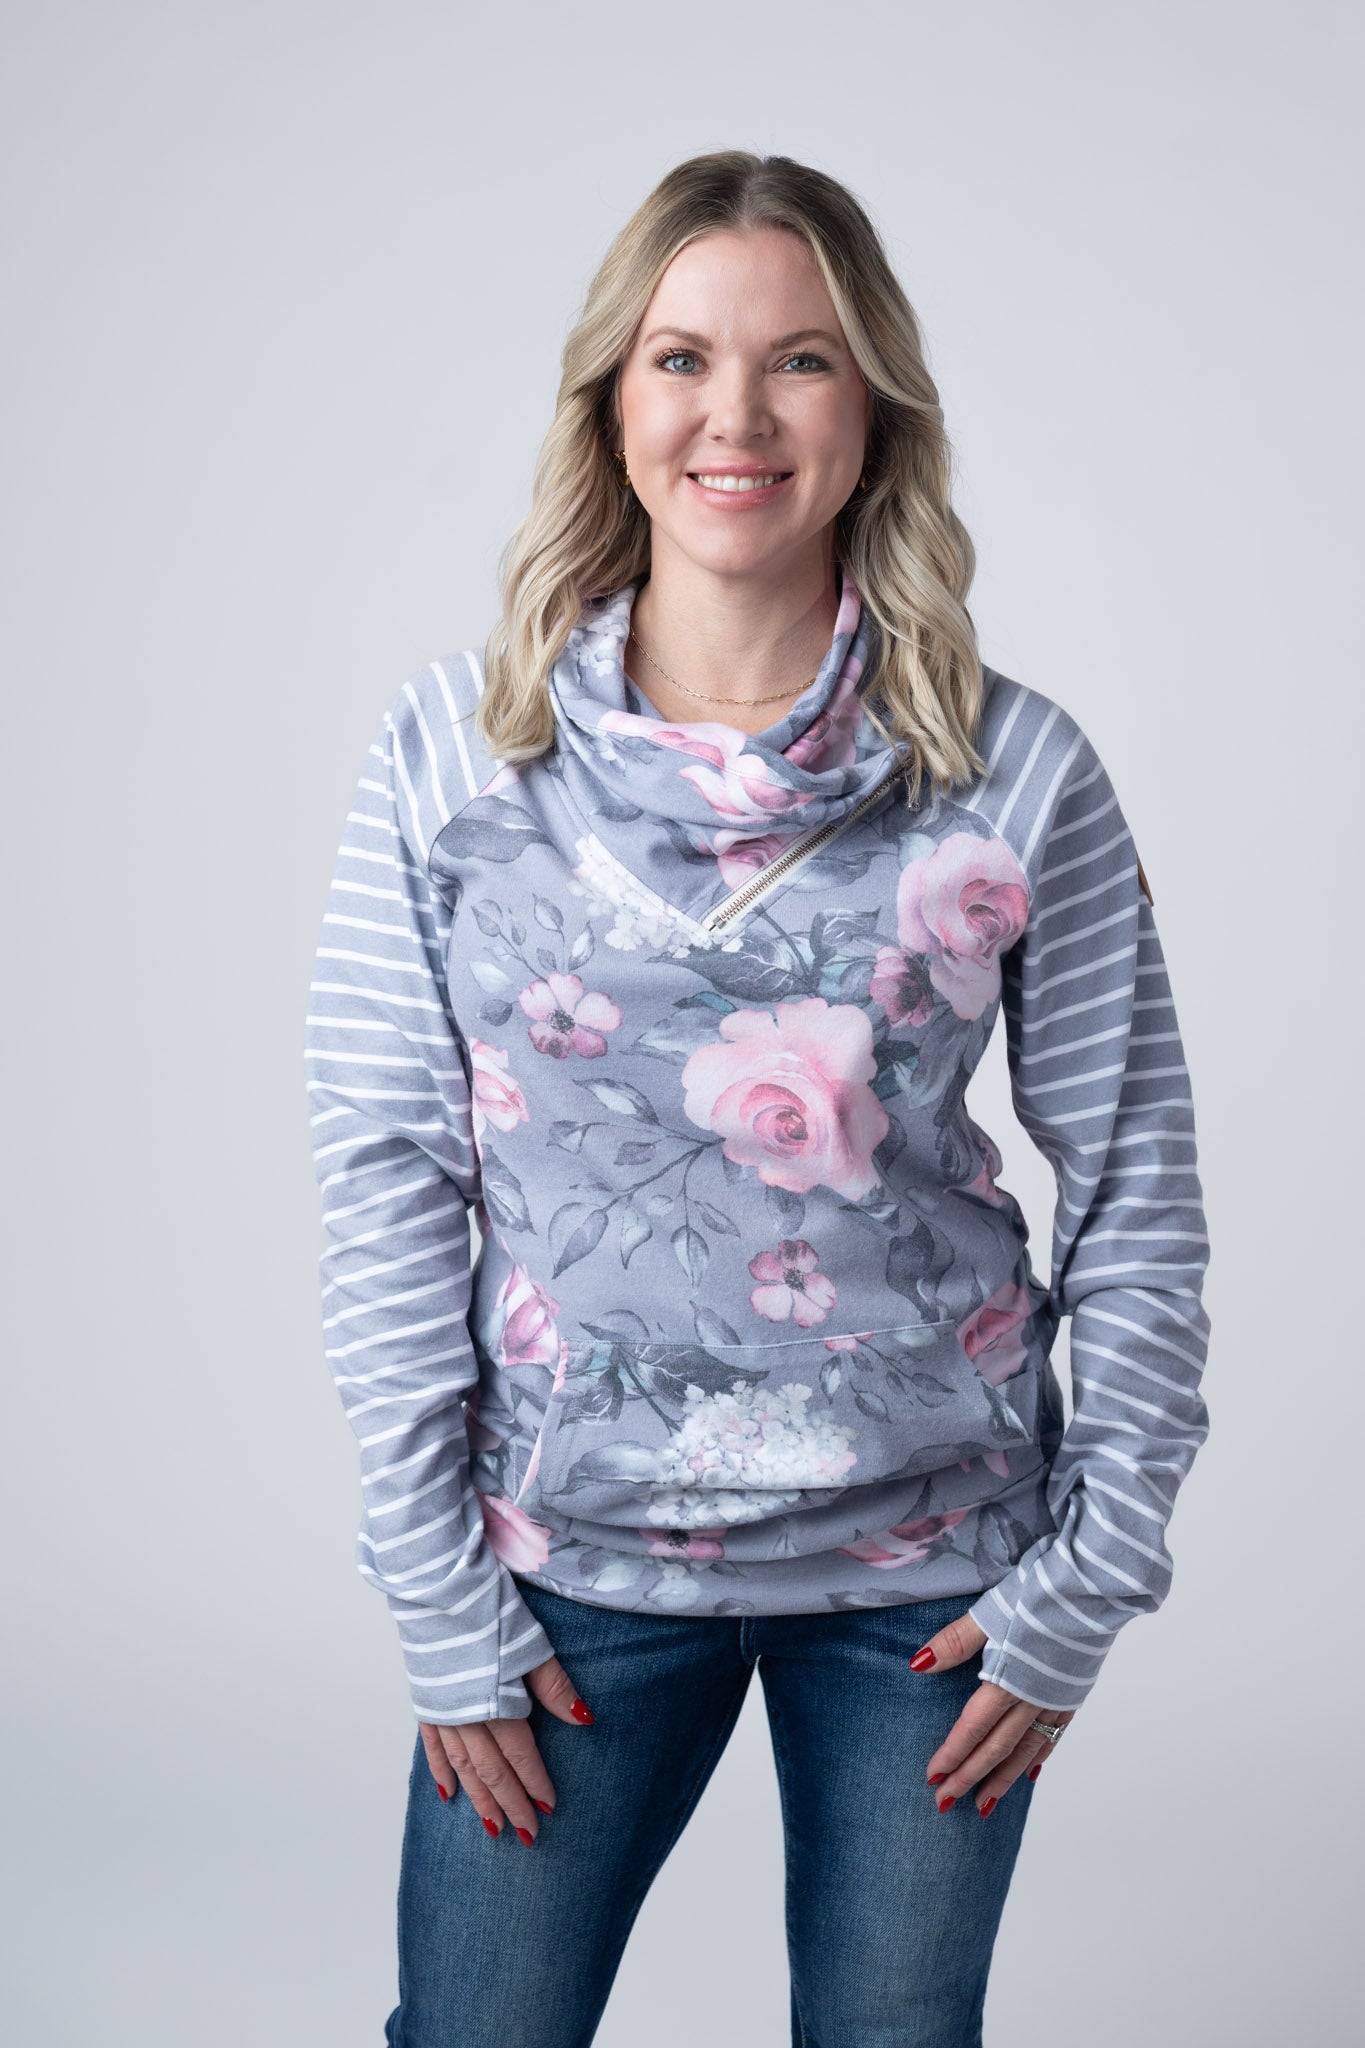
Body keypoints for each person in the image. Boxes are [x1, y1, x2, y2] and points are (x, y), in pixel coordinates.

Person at [303, 150, 1212, 2048]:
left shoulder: (1014, 772)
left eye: (798, 360)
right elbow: (385, 1177)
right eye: (680, 359)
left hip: (931, 1587)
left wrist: (1091, 1573)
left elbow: (1135, 1179)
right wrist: (432, 1589)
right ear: (610, 405)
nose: (735, 415)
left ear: (871, 409)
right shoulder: (455, 755)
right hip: (560, 1572)